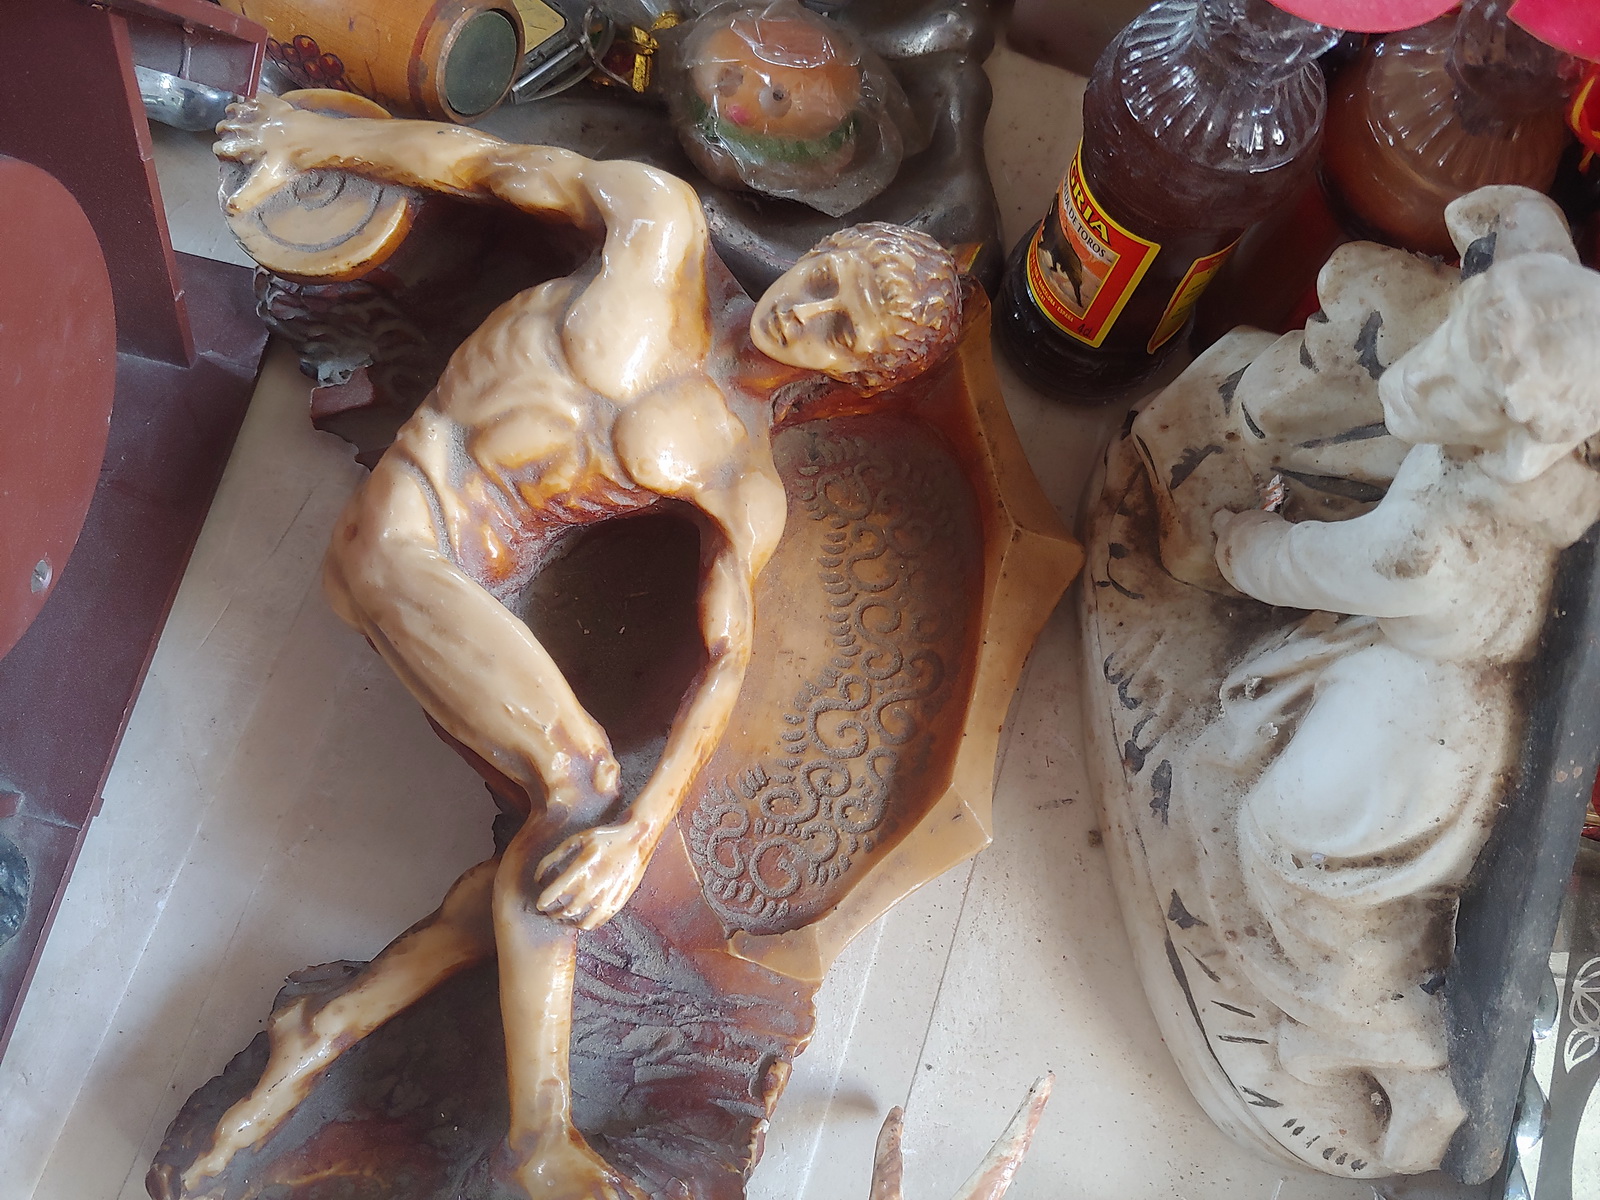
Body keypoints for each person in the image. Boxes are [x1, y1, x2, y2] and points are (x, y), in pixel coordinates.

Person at [183, 93, 962, 1199]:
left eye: (843, 331)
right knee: (580, 786)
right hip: (404, 528)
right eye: (828, 279)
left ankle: (338, 1025)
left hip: (478, 587)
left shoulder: (743, 475)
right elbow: (484, 164)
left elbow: (728, 659)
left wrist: (643, 835)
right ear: (820, 249)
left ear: (855, 375)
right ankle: (539, 1138)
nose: (812, 312)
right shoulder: (659, 228)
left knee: (594, 849)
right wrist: (317, 140)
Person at [1204, 249, 1600, 1171]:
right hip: (1456, 710)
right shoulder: (1558, 479)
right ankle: (1370, 1042)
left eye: (1461, 377)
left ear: (1522, 432)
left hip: (1408, 728)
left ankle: (1399, 1052)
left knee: (1292, 854)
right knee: (1352, 895)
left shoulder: (1434, 544)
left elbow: (1308, 565)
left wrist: (1237, 539)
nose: (1428, 375)